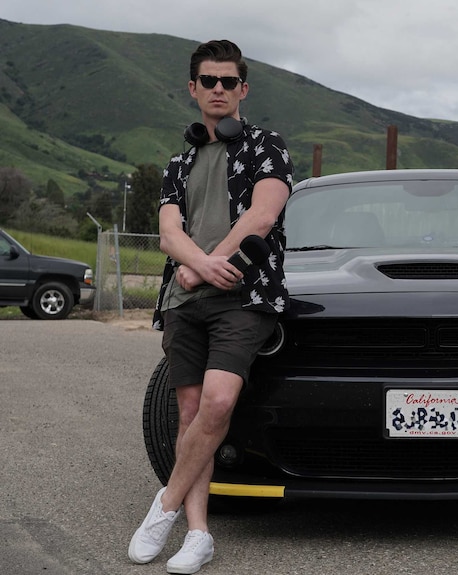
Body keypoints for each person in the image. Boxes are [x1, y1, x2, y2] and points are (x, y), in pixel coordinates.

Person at [128, 39, 294, 574]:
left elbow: (261, 217)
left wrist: (202, 265)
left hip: (242, 296)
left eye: (228, 81)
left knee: (219, 405)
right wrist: (192, 267)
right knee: (189, 414)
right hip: (182, 302)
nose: (218, 89)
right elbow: (167, 233)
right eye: (208, 81)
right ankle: (198, 533)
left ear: (243, 89)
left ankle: (163, 507)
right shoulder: (179, 162)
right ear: (193, 89)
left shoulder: (268, 146)